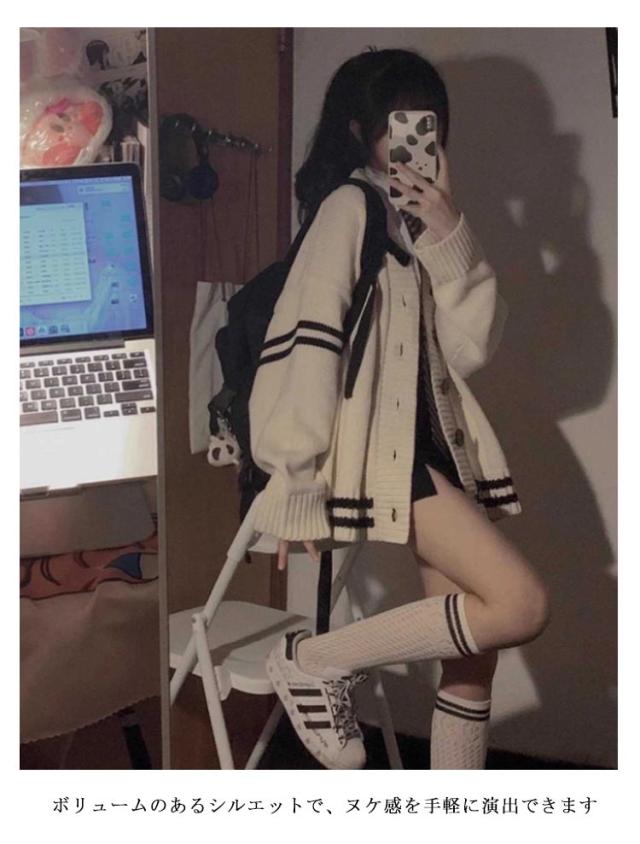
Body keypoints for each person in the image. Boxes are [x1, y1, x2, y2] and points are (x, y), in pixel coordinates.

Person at [248, 47, 550, 770]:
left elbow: (470, 349)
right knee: (519, 605)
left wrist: (449, 233)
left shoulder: (415, 221)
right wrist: (293, 477)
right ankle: (313, 661)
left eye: (429, 124)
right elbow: (306, 340)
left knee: (472, 664)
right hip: (388, 452)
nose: (416, 140)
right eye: (398, 125)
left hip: (437, 444)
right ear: (360, 131)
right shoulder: (348, 207)